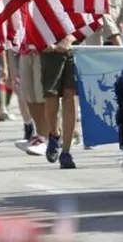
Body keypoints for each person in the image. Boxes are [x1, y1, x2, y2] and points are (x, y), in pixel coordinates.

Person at [41, 35, 78, 168]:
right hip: (50, 50)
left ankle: (66, 153)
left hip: (74, 49)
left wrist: (70, 38)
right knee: (52, 100)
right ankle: (54, 134)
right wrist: (41, 42)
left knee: (70, 96)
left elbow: (88, 20)